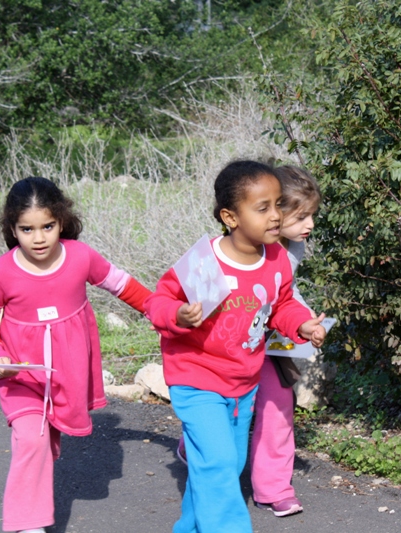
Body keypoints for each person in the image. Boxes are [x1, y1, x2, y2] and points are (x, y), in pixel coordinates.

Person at [145, 160, 328, 533]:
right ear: (230, 216)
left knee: (224, 465)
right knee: (218, 460)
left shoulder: (276, 259)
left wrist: (302, 324)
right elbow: (157, 302)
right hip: (196, 379)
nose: (275, 216)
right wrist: (178, 315)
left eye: (278, 204)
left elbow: (282, 305)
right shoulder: (206, 260)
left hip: (242, 383)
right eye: (262, 208)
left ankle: (190, 527)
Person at [0, 177, 151, 533]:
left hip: (68, 368)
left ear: (62, 222)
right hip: (21, 371)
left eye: (47, 227)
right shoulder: (2, 271)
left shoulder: (81, 257)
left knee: (44, 440)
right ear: (12, 228)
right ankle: (26, 524)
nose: (38, 238)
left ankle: (38, 466)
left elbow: (121, 284)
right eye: (27, 229)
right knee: (31, 437)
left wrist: (161, 311)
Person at [250, 164, 323, 517]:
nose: (310, 225)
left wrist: (304, 324)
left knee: (278, 409)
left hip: (273, 344)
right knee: (226, 412)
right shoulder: (239, 248)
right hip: (231, 350)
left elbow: (286, 293)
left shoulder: (293, 248)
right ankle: (197, 446)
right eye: (302, 215)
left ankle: (274, 488)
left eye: (312, 215)